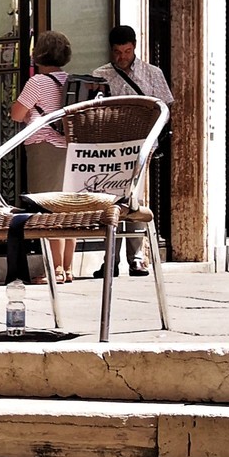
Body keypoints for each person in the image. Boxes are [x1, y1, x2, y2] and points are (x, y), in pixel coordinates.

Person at [93, 23, 173, 275]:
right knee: (111, 201)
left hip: (141, 146)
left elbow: (166, 108)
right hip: (110, 148)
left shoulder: (152, 73)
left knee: (135, 199)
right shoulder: (100, 74)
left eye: (126, 51)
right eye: (117, 52)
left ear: (134, 47)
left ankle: (137, 257)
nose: (122, 57)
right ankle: (110, 260)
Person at [9, 30, 75, 280]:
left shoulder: (37, 82)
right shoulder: (70, 80)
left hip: (44, 146)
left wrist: (26, 112)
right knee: (69, 208)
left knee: (48, 208)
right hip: (69, 148)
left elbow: (16, 113)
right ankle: (67, 268)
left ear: (39, 55)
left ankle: (55, 269)